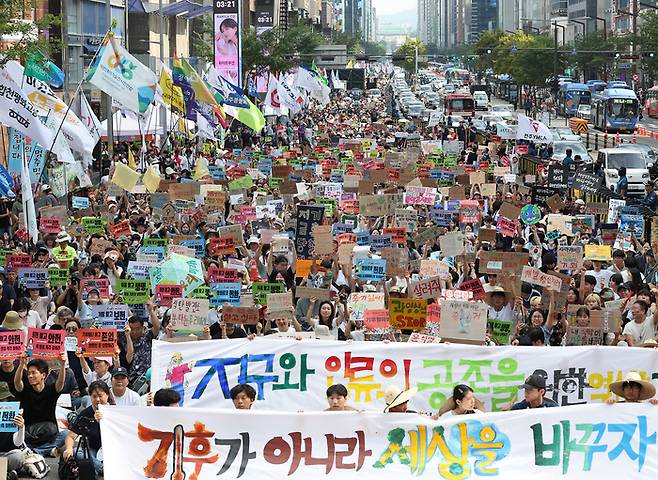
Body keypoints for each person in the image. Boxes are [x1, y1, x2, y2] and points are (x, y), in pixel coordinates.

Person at [13, 353, 68, 456]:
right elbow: (17, 383)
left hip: (48, 431)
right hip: (28, 430)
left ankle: (34, 450)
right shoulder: (26, 390)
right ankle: (45, 449)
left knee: (65, 433)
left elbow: (60, 383)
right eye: (29, 373)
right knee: (16, 435)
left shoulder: (51, 389)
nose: (30, 376)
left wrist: (62, 365)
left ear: (43, 375)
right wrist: (21, 364)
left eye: (34, 373)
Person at [63, 380, 112, 476]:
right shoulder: (85, 414)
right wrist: (68, 449)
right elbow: (71, 436)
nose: (97, 399)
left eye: (100, 396)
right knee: (77, 452)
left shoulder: (115, 412)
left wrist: (104, 421)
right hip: (92, 449)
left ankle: (99, 469)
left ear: (107, 395)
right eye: (94, 396)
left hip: (111, 448)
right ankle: (103, 469)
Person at [0, 382, 26, 479]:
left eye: (4, 400)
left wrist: (21, 428)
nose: (2, 403)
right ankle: (7, 476)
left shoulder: (14, 414)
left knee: (18, 456)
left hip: (7, 455)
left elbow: (18, 443)